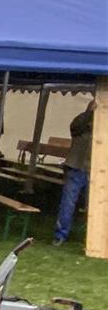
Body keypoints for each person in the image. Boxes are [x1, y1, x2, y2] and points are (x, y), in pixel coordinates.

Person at [53, 100, 95, 246]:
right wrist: (90, 113)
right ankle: (61, 235)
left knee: (96, 205)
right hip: (76, 168)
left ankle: (93, 238)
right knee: (68, 204)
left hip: (96, 171)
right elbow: (74, 127)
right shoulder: (80, 123)